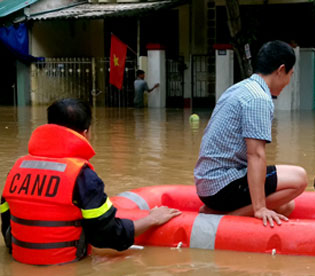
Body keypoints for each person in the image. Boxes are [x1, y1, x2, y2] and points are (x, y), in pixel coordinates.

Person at [0, 98, 181, 265]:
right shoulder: (82, 176)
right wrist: (151, 219)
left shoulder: (16, 169)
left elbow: (8, 226)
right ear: (86, 133)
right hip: (68, 267)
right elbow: (108, 236)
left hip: (20, 261)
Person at [194, 40, 307, 227]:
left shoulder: (240, 88)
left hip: (208, 184)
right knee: (299, 178)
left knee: (286, 206)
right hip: (221, 184)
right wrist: (260, 208)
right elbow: (255, 154)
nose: (288, 82)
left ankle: (215, 211)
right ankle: (228, 218)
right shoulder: (259, 98)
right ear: (281, 70)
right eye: (290, 75)